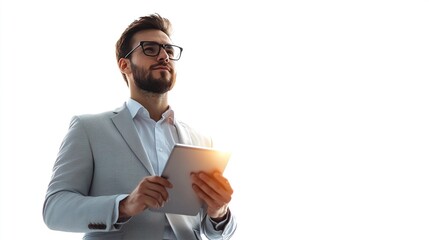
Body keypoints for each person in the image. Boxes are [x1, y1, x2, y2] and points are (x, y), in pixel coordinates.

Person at [43, 13, 237, 240]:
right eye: (150, 49)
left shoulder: (202, 141)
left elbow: (212, 230)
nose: (164, 56)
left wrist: (219, 212)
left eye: (169, 50)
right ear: (124, 65)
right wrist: (124, 205)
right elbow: (54, 209)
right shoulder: (88, 129)